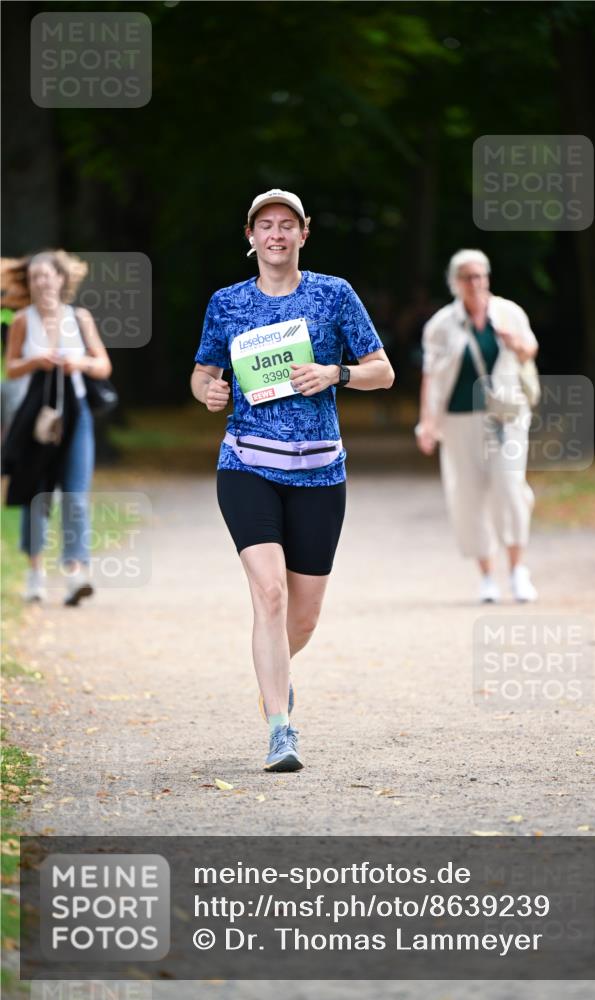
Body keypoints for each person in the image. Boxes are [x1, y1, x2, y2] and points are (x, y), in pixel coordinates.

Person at [191, 189, 394, 773]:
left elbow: (383, 372)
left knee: (301, 617)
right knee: (270, 594)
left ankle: (273, 674)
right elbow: (204, 372)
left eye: (286, 226)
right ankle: (281, 727)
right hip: (247, 464)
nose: (275, 235)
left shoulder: (334, 294)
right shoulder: (226, 303)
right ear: (250, 237)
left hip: (320, 470)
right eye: (265, 226)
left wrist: (336, 372)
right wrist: (209, 392)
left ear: (303, 235)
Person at [415, 249, 539, 604]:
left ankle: (517, 569)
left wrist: (515, 344)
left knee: (509, 487)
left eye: (481, 275)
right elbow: (432, 376)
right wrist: (427, 423)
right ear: (455, 282)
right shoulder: (441, 325)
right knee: (467, 495)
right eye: (468, 277)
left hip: (507, 416)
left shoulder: (509, 313)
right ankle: (486, 575)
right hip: (458, 420)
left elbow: (531, 348)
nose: (476, 283)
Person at [3, 251, 112, 605]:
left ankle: (75, 574)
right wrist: (35, 361)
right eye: (34, 277)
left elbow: (103, 366)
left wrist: (78, 363)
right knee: (36, 495)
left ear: (62, 279)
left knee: (75, 497)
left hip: (76, 416)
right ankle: (35, 574)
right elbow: (11, 369)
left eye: (47, 276)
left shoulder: (79, 318)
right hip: (38, 420)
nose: (41, 282)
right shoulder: (22, 320)